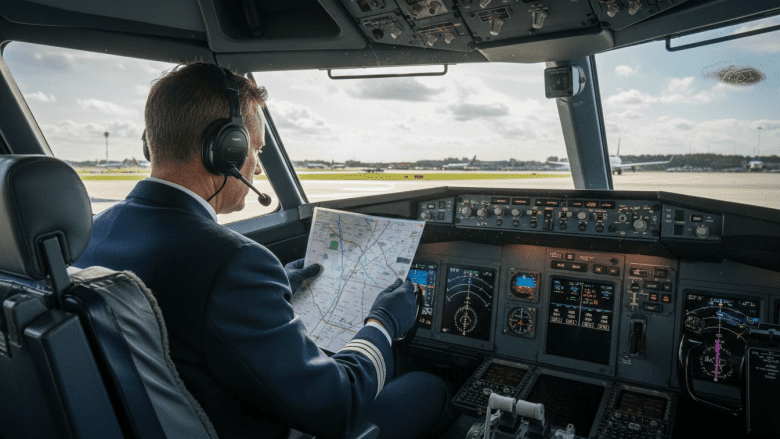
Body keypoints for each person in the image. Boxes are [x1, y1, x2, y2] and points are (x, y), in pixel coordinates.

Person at [76, 63, 452, 439]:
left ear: (150, 142)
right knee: (427, 387)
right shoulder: (232, 263)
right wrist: (383, 324)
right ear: (226, 150)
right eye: (254, 149)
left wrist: (276, 288)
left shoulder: (91, 233)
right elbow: (337, 404)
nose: (255, 166)